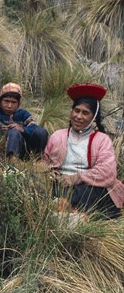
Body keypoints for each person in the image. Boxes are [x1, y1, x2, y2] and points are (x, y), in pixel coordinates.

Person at [42, 83, 124, 218]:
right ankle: (71, 212)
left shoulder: (102, 140)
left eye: (85, 113)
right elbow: (45, 161)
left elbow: (107, 173)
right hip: (61, 185)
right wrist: (50, 172)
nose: (79, 116)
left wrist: (75, 178)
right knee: (35, 182)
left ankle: (66, 211)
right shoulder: (58, 135)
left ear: (93, 117)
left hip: (87, 187)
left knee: (87, 192)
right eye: (76, 110)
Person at [0, 82, 48, 160]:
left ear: (19, 103)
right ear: (0, 101)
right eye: (6, 101)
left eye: (13, 102)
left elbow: (34, 127)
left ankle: (38, 158)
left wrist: (22, 129)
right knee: (13, 132)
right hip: (2, 150)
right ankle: (12, 159)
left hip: (24, 148)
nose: (9, 106)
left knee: (41, 131)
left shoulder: (23, 114)